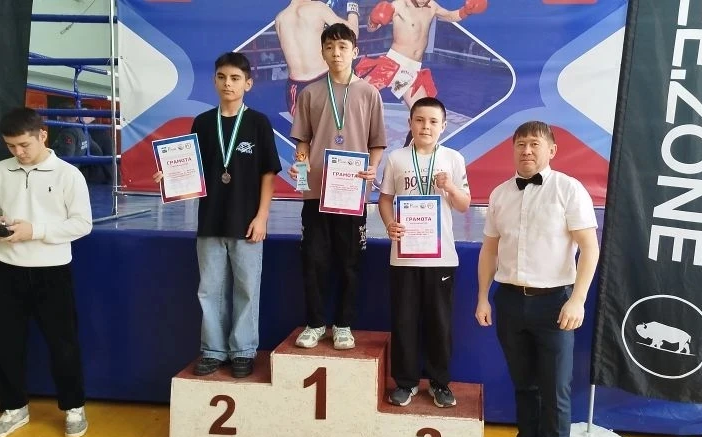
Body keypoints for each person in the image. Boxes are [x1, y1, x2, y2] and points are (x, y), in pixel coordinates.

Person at [153, 52, 281, 379]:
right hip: (210, 219)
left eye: (235, 78)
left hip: (247, 221)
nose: (228, 84)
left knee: (246, 289)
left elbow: (268, 174)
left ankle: (243, 350)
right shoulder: (203, 123)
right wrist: (169, 176)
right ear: (214, 81)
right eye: (222, 77)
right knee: (209, 289)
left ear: (248, 84)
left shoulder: (258, 123)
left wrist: (262, 217)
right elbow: (191, 169)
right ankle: (212, 349)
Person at [475, 121, 599, 437]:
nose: (527, 150)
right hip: (510, 302)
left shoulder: (569, 190)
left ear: (552, 150)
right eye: (521, 144)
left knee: (555, 391)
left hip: (555, 305)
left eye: (534, 144)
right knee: (524, 387)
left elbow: (590, 248)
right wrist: (483, 297)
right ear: (513, 149)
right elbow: (489, 250)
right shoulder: (500, 194)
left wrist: (577, 300)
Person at [0, 107, 93, 437]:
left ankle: (74, 407)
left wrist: (35, 230)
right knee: (7, 343)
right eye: (11, 146)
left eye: (24, 144)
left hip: (51, 270)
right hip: (6, 268)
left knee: (63, 345)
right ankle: (13, 408)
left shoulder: (68, 174)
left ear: (43, 135)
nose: (18, 152)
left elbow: (82, 224)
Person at [289, 23, 387, 350]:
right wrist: (301, 170)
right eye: (330, 47)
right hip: (316, 191)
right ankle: (315, 323)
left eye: (343, 47)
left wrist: (372, 168)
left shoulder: (369, 93)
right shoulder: (310, 93)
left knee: (349, 262)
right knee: (313, 260)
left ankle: (343, 324)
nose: (336, 53)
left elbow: (377, 142)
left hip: (352, 193)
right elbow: (302, 141)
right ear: (322, 52)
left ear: (355, 51)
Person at [377, 97, 469, 408]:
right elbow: (385, 199)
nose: (425, 126)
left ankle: (440, 383)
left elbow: (464, 204)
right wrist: (389, 224)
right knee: (404, 320)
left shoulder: (454, 158)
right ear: (410, 123)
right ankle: (405, 382)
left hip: (441, 257)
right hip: (404, 255)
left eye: (432, 121)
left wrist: (450, 188)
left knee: (439, 322)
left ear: (444, 126)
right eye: (419, 120)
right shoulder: (397, 158)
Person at [358, 0, 488, 108]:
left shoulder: (432, 6)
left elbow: (449, 16)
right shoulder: (399, 5)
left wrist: (466, 11)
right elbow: (370, 29)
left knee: (423, 111)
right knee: (360, 96)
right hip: (392, 63)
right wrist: (373, 20)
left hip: (412, 69)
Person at [275, 0, 360, 117]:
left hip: (295, 88)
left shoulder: (280, 18)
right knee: (339, 126)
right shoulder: (318, 8)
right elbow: (353, 33)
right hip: (324, 83)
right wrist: (353, 6)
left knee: (308, 128)